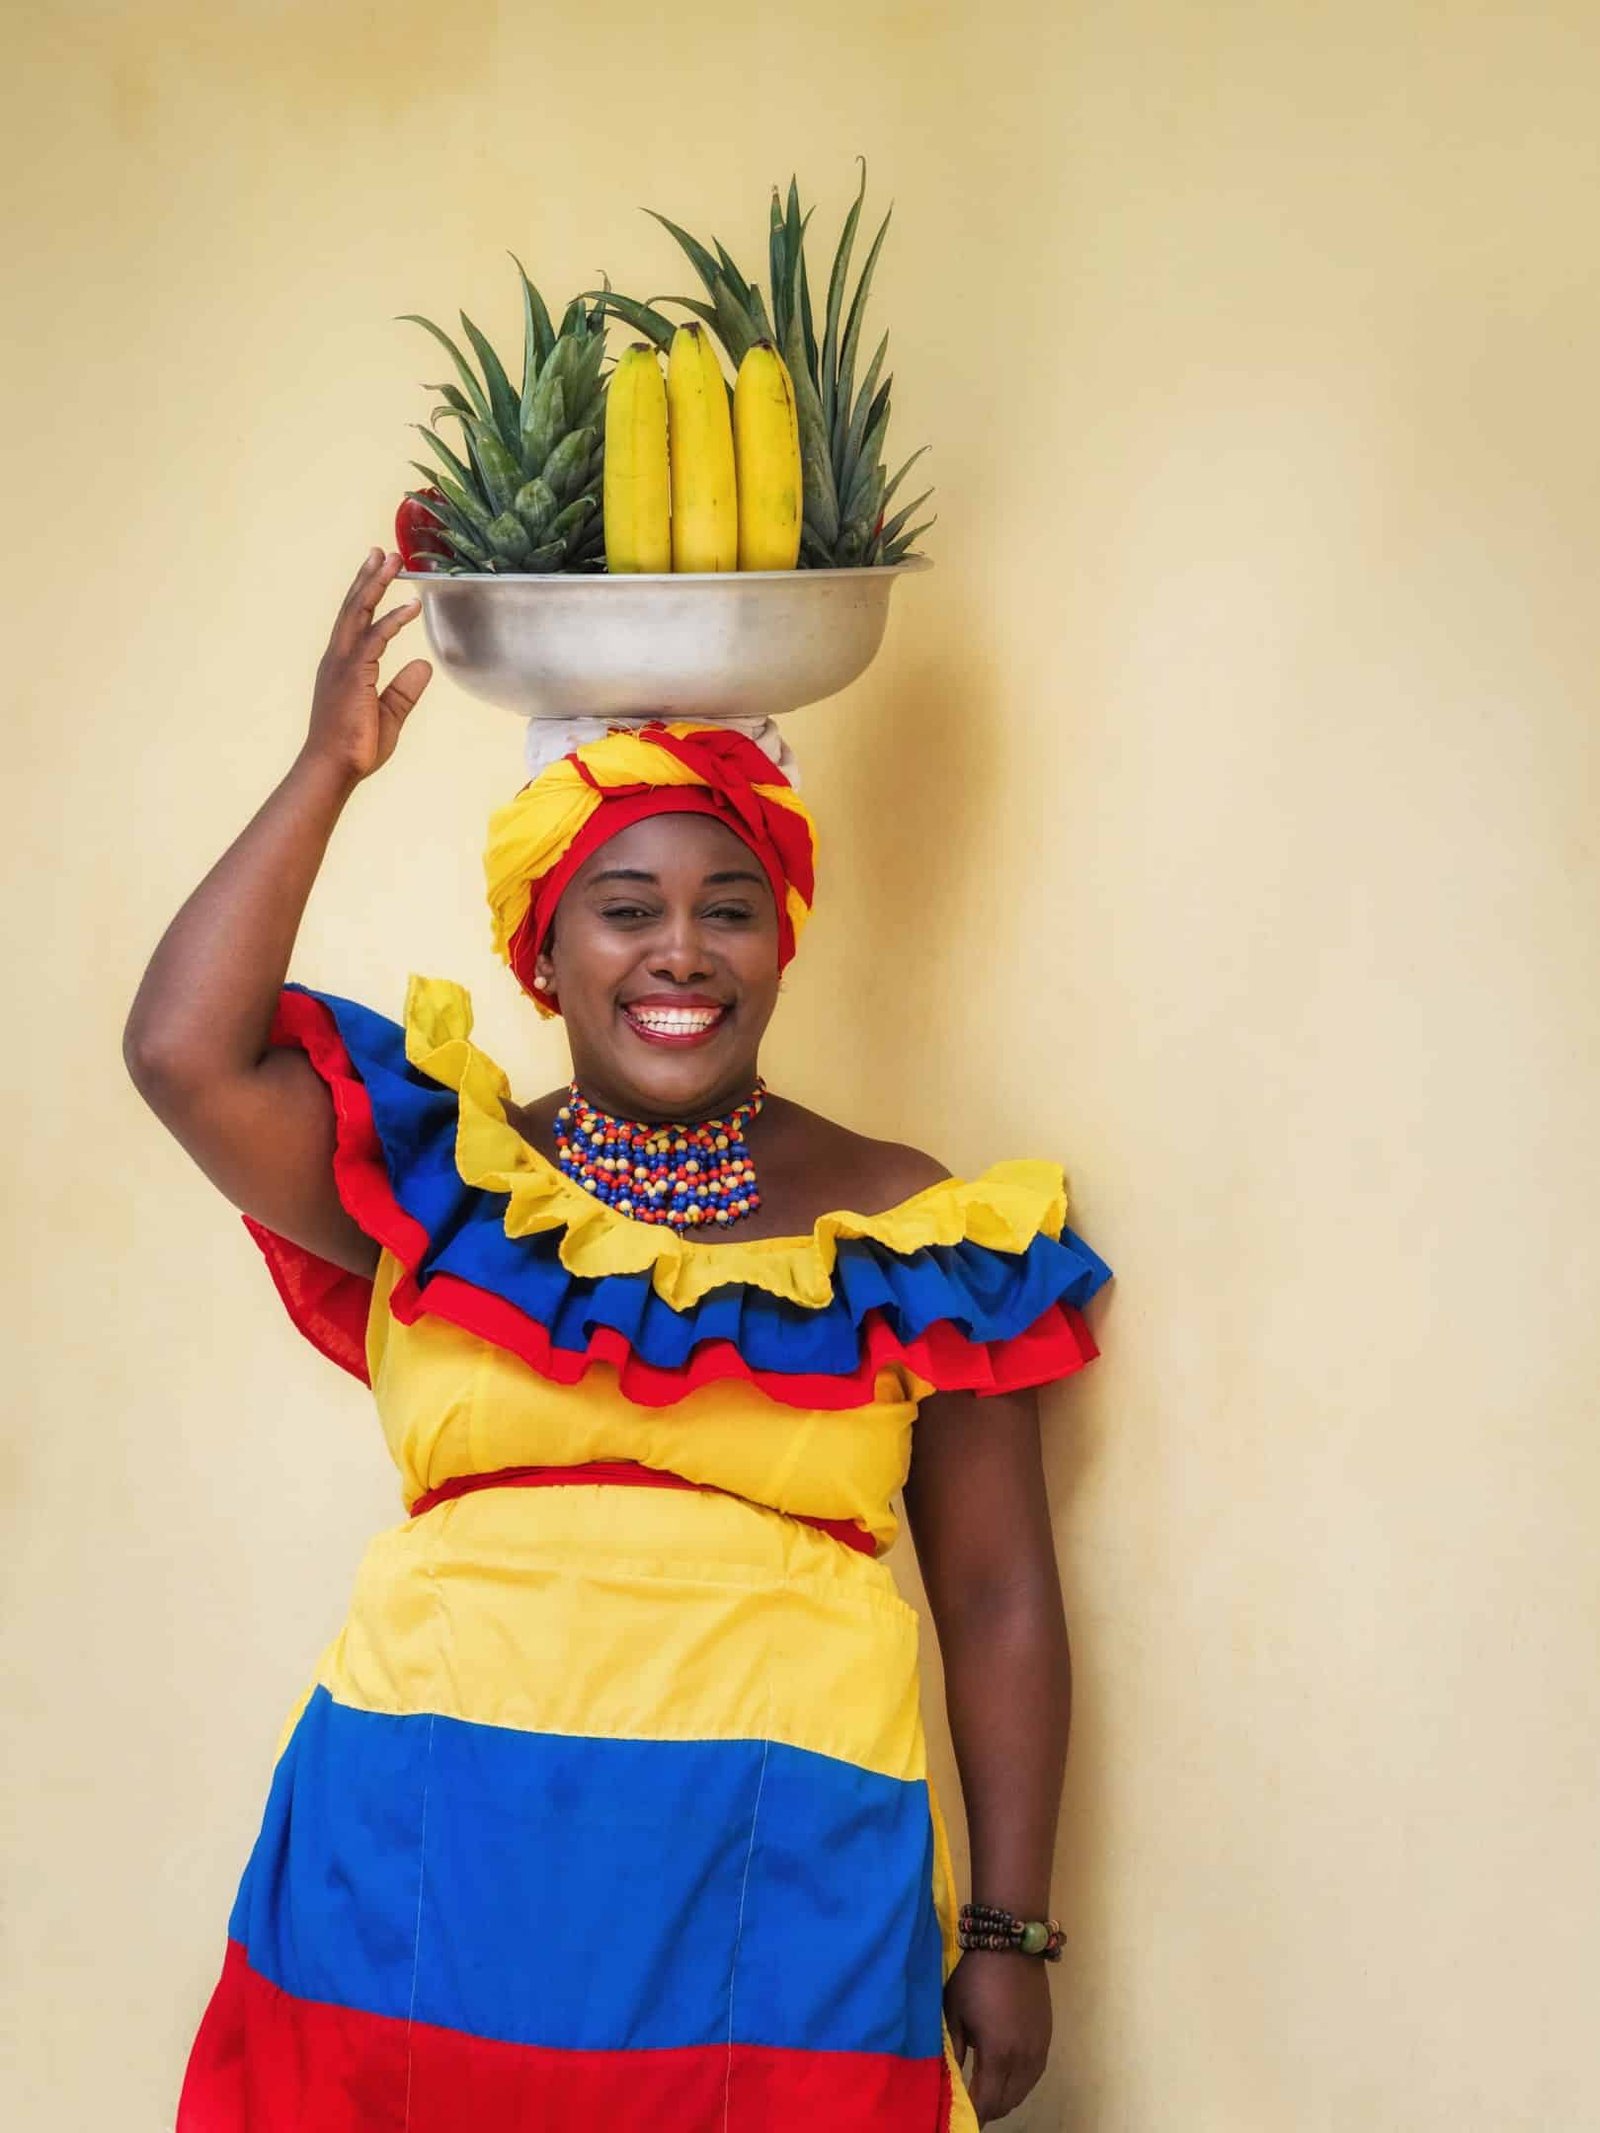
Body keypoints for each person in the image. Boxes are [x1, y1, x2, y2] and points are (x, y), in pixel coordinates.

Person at [124, 548, 1114, 2132]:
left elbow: (997, 1592)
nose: (680, 951)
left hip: (775, 1878)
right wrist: (331, 766)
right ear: (545, 948)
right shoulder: (445, 1184)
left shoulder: (914, 1228)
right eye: (624, 907)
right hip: (423, 1873)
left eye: (731, 907)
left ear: (782, 941)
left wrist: (1007, 1926)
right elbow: (182, 1052)